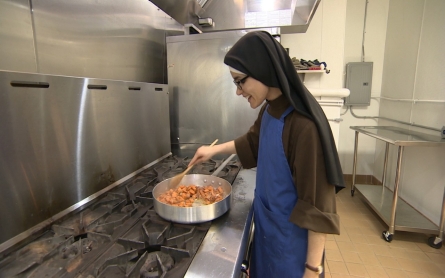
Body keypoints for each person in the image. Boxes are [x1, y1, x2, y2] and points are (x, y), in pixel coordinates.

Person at [188, 31, 345, 278]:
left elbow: (317, 206)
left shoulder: (304, 127)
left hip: (292, 251)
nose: (238, 91)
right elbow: (252, 142)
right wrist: (213, 150)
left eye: (240, 81)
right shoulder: (270, 110)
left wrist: (313, 270)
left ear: (261, 69)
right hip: (267, 236)